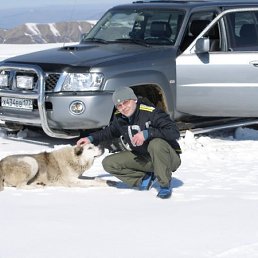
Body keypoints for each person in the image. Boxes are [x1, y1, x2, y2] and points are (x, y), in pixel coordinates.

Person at [77, 87, 181, 199]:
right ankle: (143, 178)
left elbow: (174, 132)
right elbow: (110, 131)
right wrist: (90, 138)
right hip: (145, 158)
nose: (123, 107)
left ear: (134, 99)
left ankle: (164, 185)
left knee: (156, 143)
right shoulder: (120, 118)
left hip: (168, 159)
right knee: (109, 163)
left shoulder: (151, 112)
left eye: (125, 102)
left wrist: (147, 133)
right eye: (119, 105)